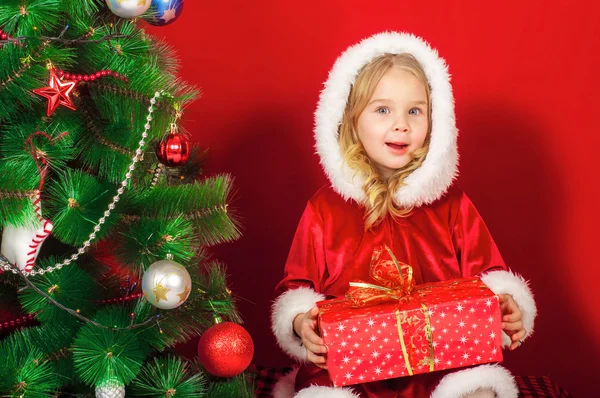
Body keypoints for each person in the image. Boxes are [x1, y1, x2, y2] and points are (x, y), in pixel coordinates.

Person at [271, 32, 537, 398]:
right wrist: (301, 322)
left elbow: (489, 274)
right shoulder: (326, 207)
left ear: (435, 122)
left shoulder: (451, 203)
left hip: (441, 367)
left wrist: (505, 303)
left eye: (415, 111)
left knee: (479, 392)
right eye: (382, 110)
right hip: (350, 371)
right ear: (350, 120)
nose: (401, 125)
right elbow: (297, 288)